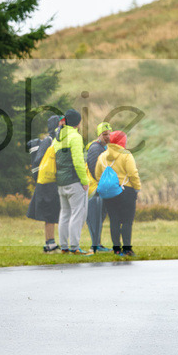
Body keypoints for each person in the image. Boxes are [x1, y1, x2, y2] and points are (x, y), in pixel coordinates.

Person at [95, 130, 141, 257]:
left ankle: (116, 249)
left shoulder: (102, 156)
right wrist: (137, 187)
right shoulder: (126, 155)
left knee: (114, 220)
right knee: (127, 221)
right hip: (126, 190)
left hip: (109, 192)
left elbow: (98, 175)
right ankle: (127, 249)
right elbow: (132, 173)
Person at [53, 108, 91, 255]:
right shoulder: (75, 137)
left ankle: (64, 247)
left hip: (61, 182)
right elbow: (78, 162)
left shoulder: (57, 137)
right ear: (78, 123)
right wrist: (84, 180)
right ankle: (75, 247)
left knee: (64, 214)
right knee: (77, 214)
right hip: (74, 182)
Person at [26, 115, 62, 253]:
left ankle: (49, 243)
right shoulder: (49, 140)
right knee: (50, 214)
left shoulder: (54, 140)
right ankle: (50, 243)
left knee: (51, 214)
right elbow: (38, 160)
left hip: (49, 181)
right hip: (47, 182)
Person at [85, 122, 113, 253]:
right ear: (99, 135)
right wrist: (103, 183)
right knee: (95, 218)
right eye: (104, 134)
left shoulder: (103, 147)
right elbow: (93, 168)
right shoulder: (95, 148)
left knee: (100, 217)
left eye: (109, 134)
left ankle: (98, 244)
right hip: (95, 189)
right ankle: (95, 245)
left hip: (100, 188)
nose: (107, 137)